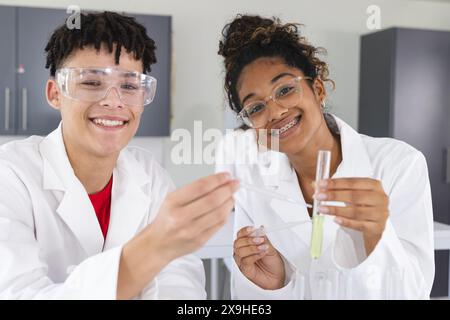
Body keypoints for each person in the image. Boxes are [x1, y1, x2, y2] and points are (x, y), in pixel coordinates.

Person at [0, 11, 238, 300]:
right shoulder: (10, 175)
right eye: (91, 82)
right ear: (55, 93)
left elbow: (179, 285)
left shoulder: (150, 176)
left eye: (128, 86)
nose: (113, 101)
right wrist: (154, 246)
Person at [216, 14, 434, 299]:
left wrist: (376, 239)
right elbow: (248, 300)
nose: (276, 112)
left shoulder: (399, 165)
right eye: (256, 108)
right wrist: (276, 284)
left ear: (317, 89)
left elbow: (412, 293)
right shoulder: (253, 186)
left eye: (285, 89)